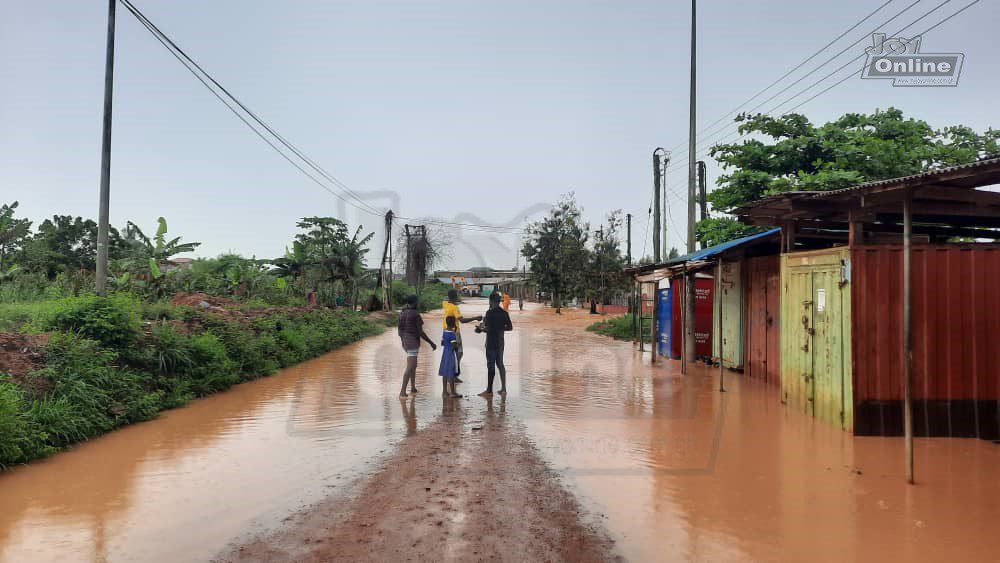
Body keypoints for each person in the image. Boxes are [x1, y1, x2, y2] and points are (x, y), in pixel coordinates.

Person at [397, 294, 436, 397]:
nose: (418, 303)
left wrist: (402, 342)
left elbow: (399, 330)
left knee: (413, 366)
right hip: (412, 343)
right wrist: (431, 343)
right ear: (414, 302)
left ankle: (413, 387)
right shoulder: (415, 314)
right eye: (417, 301)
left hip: (405, 342)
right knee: (410, 367)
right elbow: (421, 332)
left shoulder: (402, 313)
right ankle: (402, 391)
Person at [478, 291, 513, 396]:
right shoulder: (504, 313)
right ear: (499, 301)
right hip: (500, 343)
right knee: (500, 364)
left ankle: (489, 390)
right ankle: (503, 389)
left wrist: (480, 329)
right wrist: (501, 328)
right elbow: (510, 327)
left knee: (491, 366)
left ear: (491, 301)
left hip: (491, 343)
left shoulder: (489, 313)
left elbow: (487, 329)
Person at [442, 288, 482, 381]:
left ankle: (451, 375)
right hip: (455, 333)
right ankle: (453, 375)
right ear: (456, 297)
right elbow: (462, 320)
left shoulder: (445, 304)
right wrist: (476, 317)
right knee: (458, 353)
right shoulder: (455, 308)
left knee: (451, 353)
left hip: (445, 332)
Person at [438, 316, 462, 398]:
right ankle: (452, 392)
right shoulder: (452, 334)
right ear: (453, 323)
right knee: (451, 373)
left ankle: (444, 392)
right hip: (451, 353)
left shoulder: (445, 332)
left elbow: (442, 343)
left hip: (445, 353)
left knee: (445, 373)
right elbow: (454, 345)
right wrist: (458, 344)